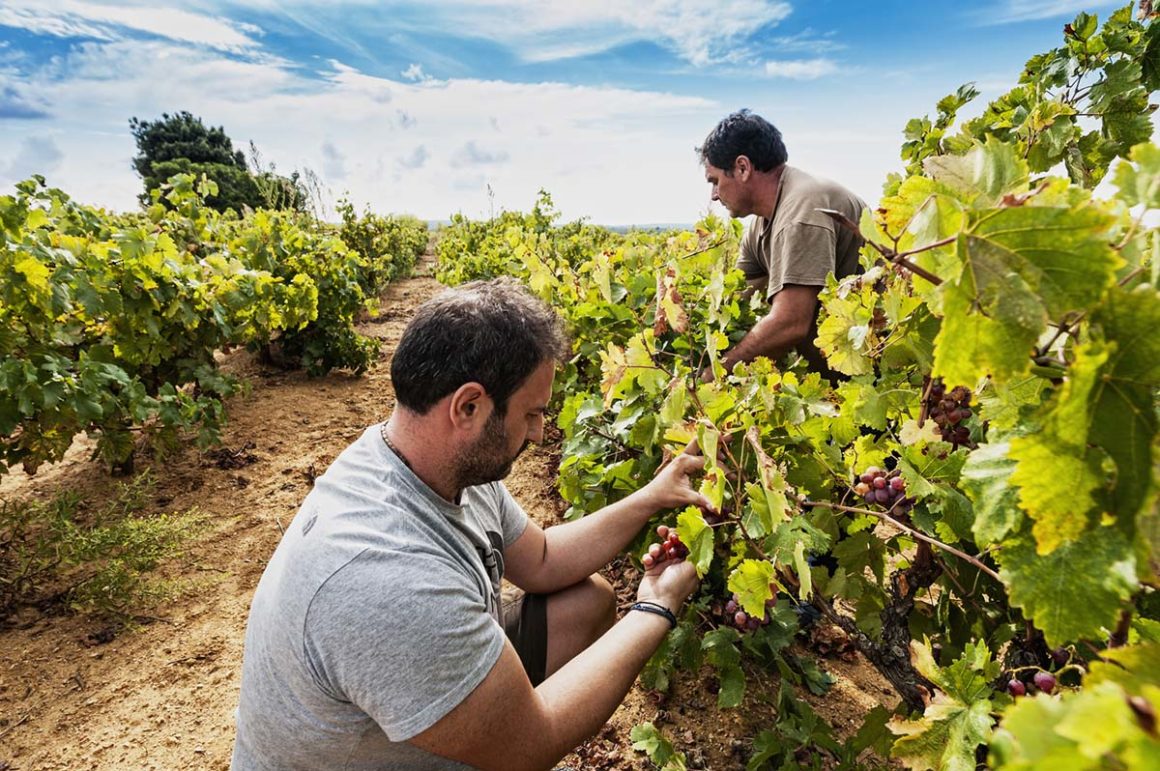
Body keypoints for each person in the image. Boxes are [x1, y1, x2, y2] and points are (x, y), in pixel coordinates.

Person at [231, 277, 711, 771]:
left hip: (395, 693)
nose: (541, 433)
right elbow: (531, 744)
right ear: (469, 406)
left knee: (587, 602)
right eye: (532, 414)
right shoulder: (387, 579)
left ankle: (483, 715)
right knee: (514, 738)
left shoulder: (435, 462)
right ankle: (485, 726)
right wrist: (657, 607)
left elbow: (543, 559)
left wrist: (651, 498)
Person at [697, 109, 867, 382]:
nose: (714, 196)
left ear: (742, 168)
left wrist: (713, 376)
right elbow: (737, 303)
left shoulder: (801, 211)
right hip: (843, 378)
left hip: (882, 380)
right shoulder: (760, 225)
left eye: (715, 181)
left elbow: (790, 323)